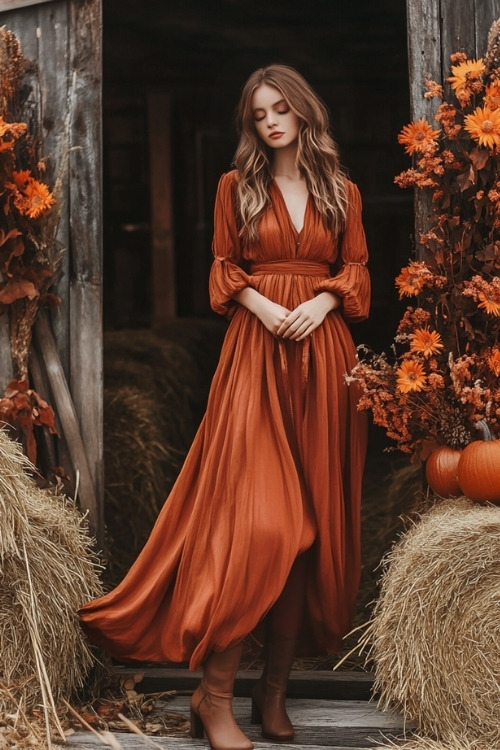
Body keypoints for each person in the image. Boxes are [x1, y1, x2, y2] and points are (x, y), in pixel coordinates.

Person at [79, 64, 370, 750]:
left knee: (311, 539)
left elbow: (355, 271)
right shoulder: (235, 188)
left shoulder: (342, 191)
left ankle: (272, 697)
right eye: (258, 113)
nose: (269, 121)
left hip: (324, 363)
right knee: (267, 528)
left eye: (279, 110)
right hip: (256, 359)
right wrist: (269, 306)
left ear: (303, 113)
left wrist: (324, 300)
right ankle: (213, 699)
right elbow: (222, 269)